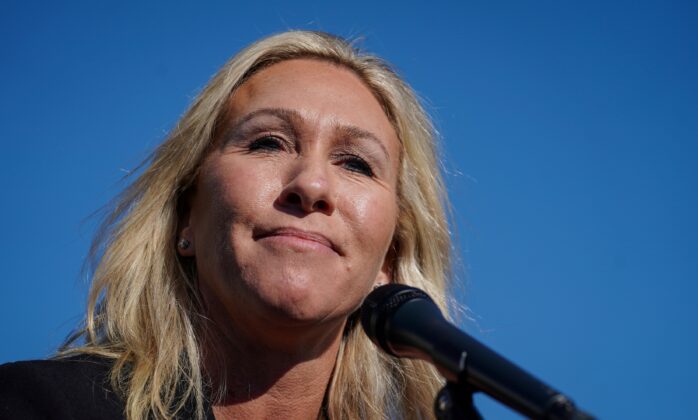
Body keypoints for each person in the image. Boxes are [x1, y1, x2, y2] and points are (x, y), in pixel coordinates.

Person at [0, 30, 452, 419]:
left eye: (355, 163)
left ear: (389, 260)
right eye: (268, 143)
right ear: (185, 218)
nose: (312, 184)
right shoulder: (36, 406)